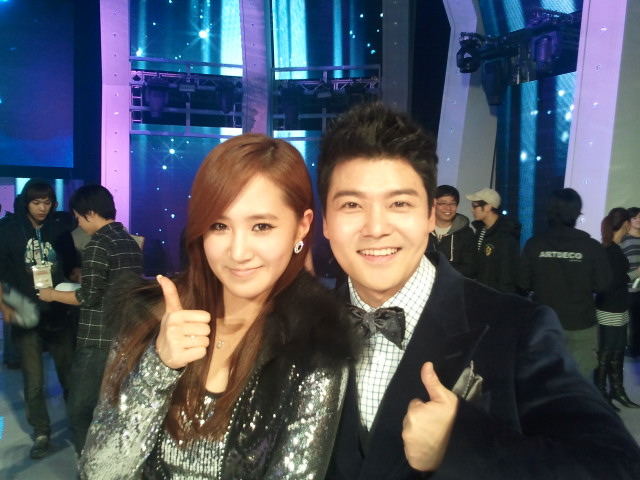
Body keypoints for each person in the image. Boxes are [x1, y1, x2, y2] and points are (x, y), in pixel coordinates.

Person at [318, 102, 640, 479]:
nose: (376, 228)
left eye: (399, 203)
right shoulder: (301, 325)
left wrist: (459, 445)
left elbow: (615, 464)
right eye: (352, 204)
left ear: (430, 216)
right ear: (326, 222)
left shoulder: (518, 329)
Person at [79, 134, 352, 479]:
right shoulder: (151, 315)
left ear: (302, 226)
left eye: (262, 226)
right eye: (219, 226)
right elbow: (99, 471)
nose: (238, 252)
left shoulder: (316, 345)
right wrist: (158, 366)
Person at [38, 184, 144, 454]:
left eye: (79, 218)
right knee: (111, 405)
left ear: (90, 213)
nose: (79, 224)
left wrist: (51, 294)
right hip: (124, 335)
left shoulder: (97, 244)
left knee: (79, 407)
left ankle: (88, 463)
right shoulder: (128, 242)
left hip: (96, 338)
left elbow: (87, 298)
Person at [0, 179, 78, 459]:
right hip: (26, 312)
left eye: (47, 202)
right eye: (36, 202)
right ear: (26, 202)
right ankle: (41, 431)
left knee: (68, 374)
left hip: (58, 311)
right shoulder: (8, 229)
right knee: (33, 380)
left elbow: (71, 264)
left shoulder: (59, 227)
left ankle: (78, 424)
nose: (42, 208)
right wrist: (4, 305)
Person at [518, 188, 612, 378]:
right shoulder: (591, 247)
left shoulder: (534, 244)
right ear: (577, 213)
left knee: (543, 381)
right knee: (579, 384)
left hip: (544, 325)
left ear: (550, 211)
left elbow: (522, 283)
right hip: (581, 324)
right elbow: (603, 284)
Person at [594, 208, 640, 409]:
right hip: (609, 307)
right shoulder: (609, 250)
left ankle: (618, 391)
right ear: (626, 224)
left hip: (618, 306)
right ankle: (601, 393)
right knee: (607, 352)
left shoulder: (614, 248)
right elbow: (611, 282)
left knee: (618, 350)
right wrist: (636, 273)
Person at [466, 188, 520, 293]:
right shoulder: (481, 230)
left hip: (498, 296)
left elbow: (506, 273)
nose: (472, 210)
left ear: (488, 207)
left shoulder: (505, 234)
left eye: (475, 206)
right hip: (481, 292)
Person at [428, 185, 475, 277]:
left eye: (452, 204)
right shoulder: (423, 231)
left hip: (454, 284)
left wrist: (441, 271)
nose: (448, 208)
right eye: (443, 203)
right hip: (424, 283)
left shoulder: (466, 233)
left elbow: (470, 268)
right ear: (433, 205)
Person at [620, 207, 640, 357]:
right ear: (629, 221)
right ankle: (632, 349)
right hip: (629, 288)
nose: (638, 220)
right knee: (631, 321)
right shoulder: (624, 239)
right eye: (635, 218)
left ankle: (635, 348)